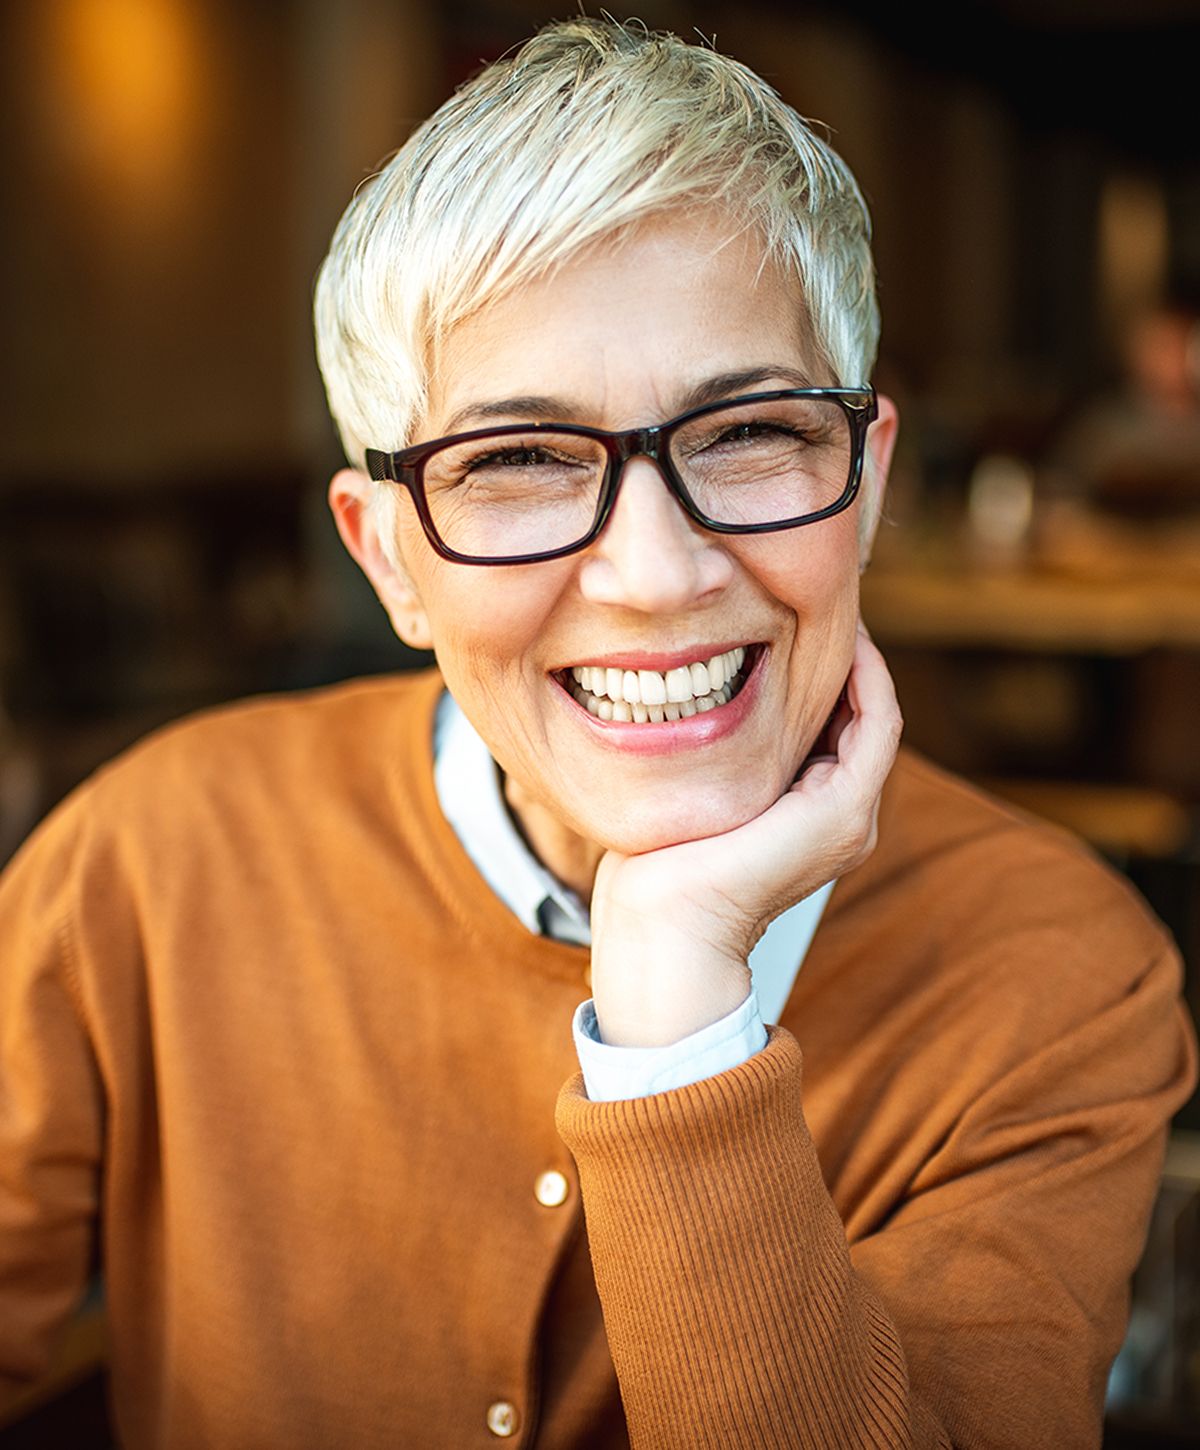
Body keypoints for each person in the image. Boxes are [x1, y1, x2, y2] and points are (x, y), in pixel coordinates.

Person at [1, 18, 1195, 1449]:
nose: (656, 571)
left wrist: (679, 1006)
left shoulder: (1063, 972)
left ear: (867, 483)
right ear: (387, 559)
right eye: (516, 461)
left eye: (751, 431)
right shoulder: (152, 857)